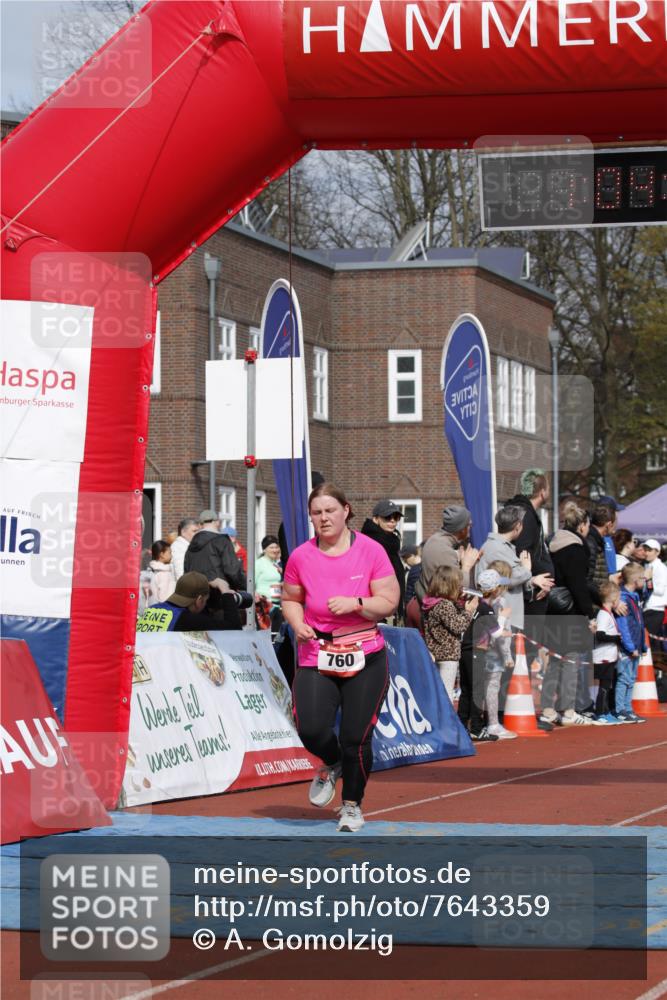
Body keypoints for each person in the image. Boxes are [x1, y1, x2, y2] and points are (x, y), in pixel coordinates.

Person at [282, 483, 399, 834]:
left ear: (346, 511)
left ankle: (351, 806)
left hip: (365, 653)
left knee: (355, 737)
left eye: (329, 511)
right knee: (311, 728)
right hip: (317, 652)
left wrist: (357, 604)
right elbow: (290, 598)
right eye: (316, 513)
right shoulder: (301, 556)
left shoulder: (371, 550)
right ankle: (332, 762)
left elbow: (390, 600)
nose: (323, 518)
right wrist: (298, 623)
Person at [540, 502, 597, 726]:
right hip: (570, 610)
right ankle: (568, 710)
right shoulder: (575, 549)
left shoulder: (551, 543)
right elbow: (578, 585)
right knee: (571, 660)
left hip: (552, 608)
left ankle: (547, 708)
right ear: (582, 525)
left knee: (554, 661)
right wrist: (589, 614)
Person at [477, 505, 554, 630]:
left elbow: (504, 580)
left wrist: (532, 581)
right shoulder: (496, 548)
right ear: (518, 526)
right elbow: (506, 580)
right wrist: (526, 570)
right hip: (501, 618)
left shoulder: (503, 547)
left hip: (506, 617)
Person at [422, 565, 478, 704]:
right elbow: (458, 626)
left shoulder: (431, 602)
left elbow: (448, 619)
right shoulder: (445, 604)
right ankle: (446, 723)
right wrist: (469, 611)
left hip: (435, 652)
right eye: (457, 584)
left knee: (435, 692)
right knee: (446, 695)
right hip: (448, 655)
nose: (460, 587)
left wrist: (461, 603)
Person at [506, 469, 554, 618]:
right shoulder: (526, 516)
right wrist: (533, 581)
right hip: (531, 595)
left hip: (534, 590)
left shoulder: (527, 513)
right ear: (542, 491)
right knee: (529, 639)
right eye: (548, 488)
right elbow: (522, 552)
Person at [476, 568, 516, 740]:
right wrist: (507, 656)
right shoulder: (500, 604)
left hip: (479, 649)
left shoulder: (476, 602)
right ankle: (492, 724)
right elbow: (500, 634)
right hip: (493, 651)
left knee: (481, 688)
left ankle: (482, 722)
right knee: (492, 687)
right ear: (497, 589)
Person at [136, 572, 242, 632]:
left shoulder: (151, 610)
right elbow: (233, 629)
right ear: (199, 600)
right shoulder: (186, 619)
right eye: (205, 600)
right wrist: (226, 592)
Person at [415, 505, 480, 602]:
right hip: (441, 611)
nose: (471, 527)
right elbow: (458, 587)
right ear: (462, 529)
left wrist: (459, 558)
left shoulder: (437, 541)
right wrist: (467, 565)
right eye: (469, 525)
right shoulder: (442, 549)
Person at [361, 499, 405, 621]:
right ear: (376, 519)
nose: (392, 521)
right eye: (387, 517)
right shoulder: (370, 542)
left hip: (392, 603)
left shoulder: (392, 541)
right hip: (378, 607)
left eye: (396, 517)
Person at [615, 563, 648, 723]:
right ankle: (620, 709)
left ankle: (628, 708)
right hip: (628, 648)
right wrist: (630, 647)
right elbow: (623, 626)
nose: (645, 580)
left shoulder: (635, 597)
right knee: (624, 678)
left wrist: (642, 645)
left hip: (636, 645)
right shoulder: (623, 599)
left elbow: (639, 624)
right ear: (635, 579)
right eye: (642, 577)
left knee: (631, 678)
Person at [184, 510, 246, 589]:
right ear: (217, 522)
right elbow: (232, 571)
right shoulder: (222, 540)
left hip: (196, 593)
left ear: (200, 525)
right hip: (219, 592)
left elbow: (186, 572)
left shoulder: (191, 544)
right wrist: (246, 587)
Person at [592, 580, 623, 724]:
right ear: (613, 599)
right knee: (604, 686)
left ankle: (605, 711)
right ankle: (599, 713)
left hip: (609, 656)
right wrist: (616, 637)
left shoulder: (608, 614)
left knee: (607, 685)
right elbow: (600, 634)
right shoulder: (603, 615)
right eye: (619, 598)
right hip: (603, 656)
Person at [641, 539, 667, 671]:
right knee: (648, 643)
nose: (646, 552)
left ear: (657, 552)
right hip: (647, 608)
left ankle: (655, 673)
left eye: (649, 550)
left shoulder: (661, 567)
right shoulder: (647, 565)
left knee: (651, 643)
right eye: (645, 549)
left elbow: (661, 590)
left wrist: (647, 580)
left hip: (655, 609)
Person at [586, 503, 618, 608]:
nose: (615, 527)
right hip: (591, 604)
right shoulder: (591, 542)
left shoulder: (596, 540)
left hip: (596, 601)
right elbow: (587, 579)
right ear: (608, 524)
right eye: (614, 524)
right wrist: (606, 599)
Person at [255, 534, 283, 606]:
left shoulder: (277, 564)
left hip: (277, 603)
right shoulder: (258, 563)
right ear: (264, 549)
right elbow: (250, 584)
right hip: (264, 605)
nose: (275, 550)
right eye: (271, 547)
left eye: (276, 547)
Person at [147, 540, 176, 605]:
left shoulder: (155, 571)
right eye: (169, 553)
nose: (171, 555)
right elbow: (164, 598)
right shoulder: (164, 573)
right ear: (162, 554)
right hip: (165, 609)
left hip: (156, 607)